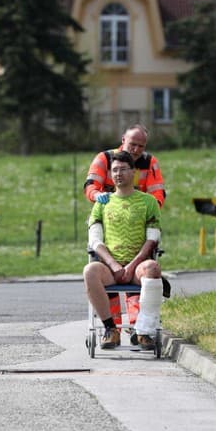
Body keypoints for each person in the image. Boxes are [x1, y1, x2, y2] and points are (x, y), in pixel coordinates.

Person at [83, 150, 164, 350]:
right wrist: (113, 264)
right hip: (110, 267)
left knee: (153, 268)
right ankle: (111, 329)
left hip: (136, 266)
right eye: (114, 170)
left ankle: (143, 331)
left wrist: (131, 266)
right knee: (89, 271)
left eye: (123, 169)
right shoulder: (103, 203)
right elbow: (94, 240)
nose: (118, 174)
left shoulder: (148, 202)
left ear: (133, 172)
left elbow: (153, 238)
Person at [84, 123, 166, 208]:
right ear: (123, 139)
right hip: (106, 212)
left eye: (141, 146)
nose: (136, 149)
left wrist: (153, 208)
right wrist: (96, 195)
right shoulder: (104, 158)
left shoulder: (150, 162)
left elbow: (158, 192)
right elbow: (90, 185)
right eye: (133, 144)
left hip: (137, 213)